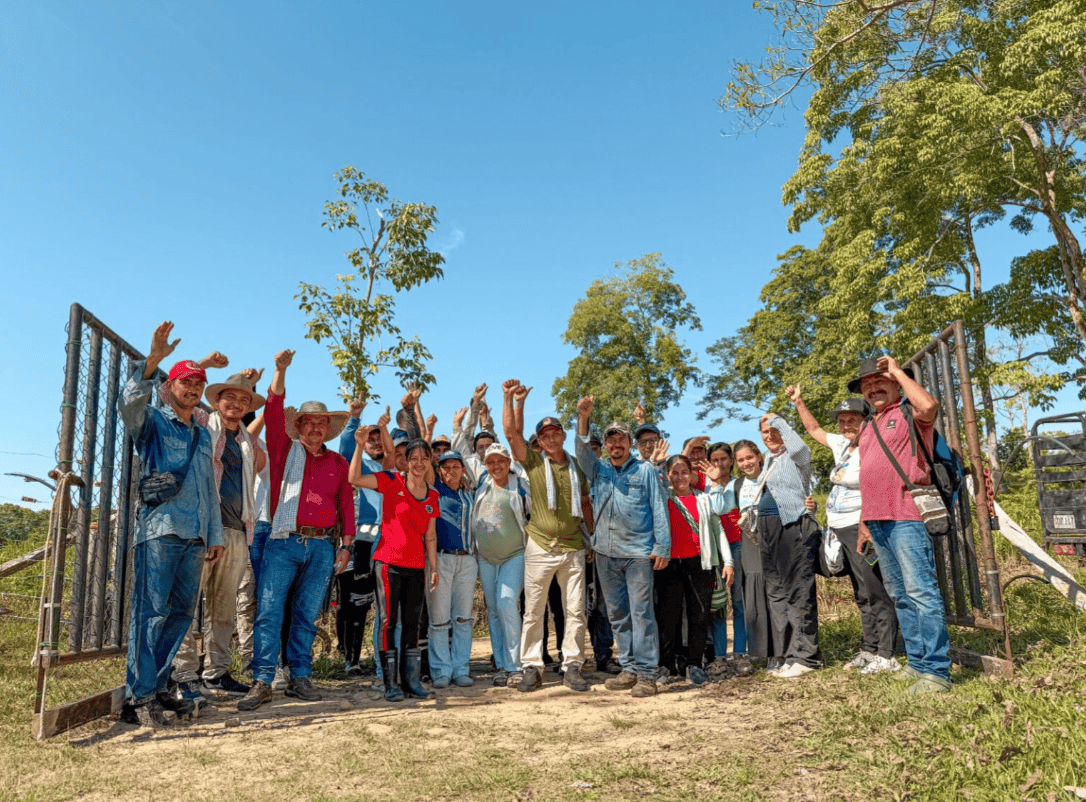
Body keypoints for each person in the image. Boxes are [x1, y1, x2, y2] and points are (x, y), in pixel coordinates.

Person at [237, 350, 356, 711]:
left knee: (306, 614)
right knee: (269, 610)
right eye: (309, 422)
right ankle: (262, 680)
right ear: (299, 426)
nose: (316, 428)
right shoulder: (282, 449)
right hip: (281, 541)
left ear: (327, 428)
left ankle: (300, 676)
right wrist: (279, 371)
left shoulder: (338, 462)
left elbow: (346, 505)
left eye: (322, 423)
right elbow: (273, 411)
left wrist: (346, 545)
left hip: (322, 548)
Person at [118, 321, 224, 727]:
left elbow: (210, 491)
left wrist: (213, 535)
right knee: (151, 613)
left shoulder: (202, 433)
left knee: (180, 615)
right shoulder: (155, 425)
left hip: (195, 537)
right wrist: (153, 362)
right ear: (170, 387)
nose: (193, 389)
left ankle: (159, 687)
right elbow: (128, 405)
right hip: (160, 531)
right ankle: (138, 697)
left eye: (198, 384)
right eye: (185, 383)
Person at [852, 355, 952, 693]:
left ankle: (937, 671)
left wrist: (896, 370)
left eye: (879, 382)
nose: (872, 389)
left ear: (896, 385)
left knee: (921, 592)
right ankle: (917, 663)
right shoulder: (867, 426)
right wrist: (865, 522)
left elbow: (930, 406)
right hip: (878, 521)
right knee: (901, 596)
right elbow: (868, 476)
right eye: (867, 386)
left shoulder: (909, 413)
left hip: (907, 515)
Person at [788, 388, 900, 674]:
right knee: (861, 591)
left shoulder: (872, 445)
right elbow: (813, 429)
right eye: (842, 421)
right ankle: (869, 648)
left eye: (852, 419)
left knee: (875, 589)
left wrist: (865, 524)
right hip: (839, 527)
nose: (846, 426)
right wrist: (798, 401)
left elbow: (875, 486)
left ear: (866, 419)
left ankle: (887, 654)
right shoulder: (842, 445)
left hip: (861, 524)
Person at [172, 370, 266, 705]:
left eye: (245, 400)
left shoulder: (246, 440)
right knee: (185, 605)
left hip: (237, 530)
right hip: (200, 528)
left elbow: (259, 466)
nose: (238, 404)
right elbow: (174, 398)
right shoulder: (200, 422)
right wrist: (200, 365)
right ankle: (182, 676)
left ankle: (216, 673)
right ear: (216, 400)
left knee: (223, 608)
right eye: (232, 397)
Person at [575, 396, 670, 698]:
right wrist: (583, 418)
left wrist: (662, 545)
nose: (616, 444)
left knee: (642, 614)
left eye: (621, 439)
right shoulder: (598, 469)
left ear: (630, 443)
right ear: (604, 445)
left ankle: (647, 674)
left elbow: (659, 507)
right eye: (611, 439)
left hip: (639, 554)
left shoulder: (645, 471)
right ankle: (628, 668)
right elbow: (580, 450)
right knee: (617, 614)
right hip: (605, 553)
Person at [503, 380, 593, 693]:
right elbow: (512, 435)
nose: (551, 438)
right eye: (545, 436)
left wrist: (590, 539)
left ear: (563, 435)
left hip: (572, 548)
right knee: (534, 610)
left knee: (575, 610)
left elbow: (584, 503)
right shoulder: (533, 463)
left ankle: (572, 665)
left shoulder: (576, 467)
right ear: (539, 442)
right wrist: (515, 401)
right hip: (540, 546)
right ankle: (531, 666)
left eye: (556, 433)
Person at [349, 426, 440, 702]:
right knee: (389, 622)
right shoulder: (391, 481)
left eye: (425, 458)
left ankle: (411, 681)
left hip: (417, 566)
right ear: (406, 461)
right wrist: (358, 445)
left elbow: (431, 536)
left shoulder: (432, 495)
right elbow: (354, 478)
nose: (419, 463)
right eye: (414, 458)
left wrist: (434, 567)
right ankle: (391, 684)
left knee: (412, 623)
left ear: (430, 462)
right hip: (388, 563)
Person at [657, 454, 734, 684]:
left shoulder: (703, 499)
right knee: (668, 618)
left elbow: (718, 529)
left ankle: (694, 664)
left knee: (699, 616)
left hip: (700, 564)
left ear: (692, 476)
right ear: (668, 475)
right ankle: (668, 666)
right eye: (675, 472)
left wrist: (728, 561)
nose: (680, 477)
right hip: (669, 564)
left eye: (684, 472)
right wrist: (655, 464)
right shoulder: (663, 498)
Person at [757, 410, 822, 678]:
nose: (770, 435)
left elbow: (803, 450)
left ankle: (806, 657)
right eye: (765, 432)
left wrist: (779, 421)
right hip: (767, 528)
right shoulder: (769, 460)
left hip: (792, 524)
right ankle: (787, 655)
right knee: (777, 593)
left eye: (775, 431)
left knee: (798, 590)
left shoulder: (796, 458)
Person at [337, 394, 391, 678]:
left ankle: (384, 656)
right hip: (362, 541)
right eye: (370, 439)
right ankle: (351, 659)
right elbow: (346, 448)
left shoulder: (392, 468)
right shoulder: (359, 465)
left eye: (379, 438)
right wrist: (353, 418)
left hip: (388, 540)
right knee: (357, 601)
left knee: (383, 601)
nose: (375, 443)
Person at [472, 440, 531, 686]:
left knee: (507, 603)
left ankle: (516, 665)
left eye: (501, 461)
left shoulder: (521, 487)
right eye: (490, 462)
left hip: (514, 555)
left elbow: (532, 517)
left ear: (509, 463)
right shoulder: (481, 485)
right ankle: (501, 665)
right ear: (485, 465)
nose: (496, 466)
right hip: (485, 558)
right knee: (494, 610)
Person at [429, 449, 478, 688]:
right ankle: (440, 670)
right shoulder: (435, 492)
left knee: (463, 618)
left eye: (455, 467)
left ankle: (461, 668)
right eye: (446, 467)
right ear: (439, 470)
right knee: (439, 618)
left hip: (468, 560)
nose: (451, 471)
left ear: (463, 469)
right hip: (441, 559)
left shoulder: (471, 495)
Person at [730, 440, 779, 669]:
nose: (746, 463)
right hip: (749, 543)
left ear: (759, 456)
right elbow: (720, 507)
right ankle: (762, 652)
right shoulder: (736, 485)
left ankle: (780, 652)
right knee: (755, 598)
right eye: (740, 460)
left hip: (774, 539)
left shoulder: (773, 478)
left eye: (749, 457)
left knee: (775, 595)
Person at [703, 442, 746, 659]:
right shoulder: (705, 485)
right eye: (715, 460)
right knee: (717, 605)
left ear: (731, 461)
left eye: (723, 459)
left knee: (739, 601)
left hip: (738, 545)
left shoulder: (739, 484)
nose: (720, 463)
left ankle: (740, 652)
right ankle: (719, 656)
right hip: (713, 550)